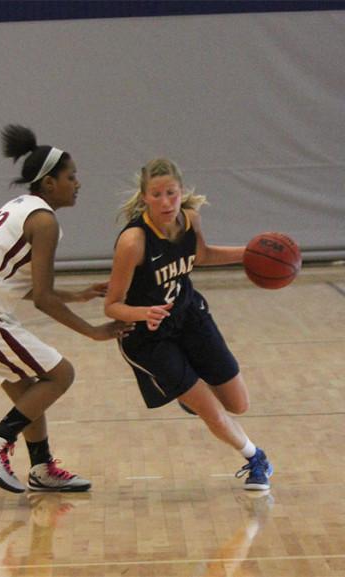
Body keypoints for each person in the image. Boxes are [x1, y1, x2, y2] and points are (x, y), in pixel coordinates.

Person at [0, 124, 130, 493]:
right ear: (48, 184)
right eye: (71, 177)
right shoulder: (44, 220)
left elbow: (14, 282)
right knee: (61, 375)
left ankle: (41, 466)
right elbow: (43, 298)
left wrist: (76, 295)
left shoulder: (19, 207)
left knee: (29, 389)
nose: (78, 183)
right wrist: (93, 331)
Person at [103, 157, 273, 490]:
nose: (165, 202)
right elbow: (112, 306)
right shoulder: (133, 242)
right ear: (144, 198)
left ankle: (187, 392)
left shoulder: (189, 219)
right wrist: (143, 313)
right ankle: (256, 459)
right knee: (213, 412)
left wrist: (251, 253)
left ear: (181, 192)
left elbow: (202, 255)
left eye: (171, 193)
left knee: (238, 404)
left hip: (189, 315)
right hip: (148, 336)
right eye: (156, 195)